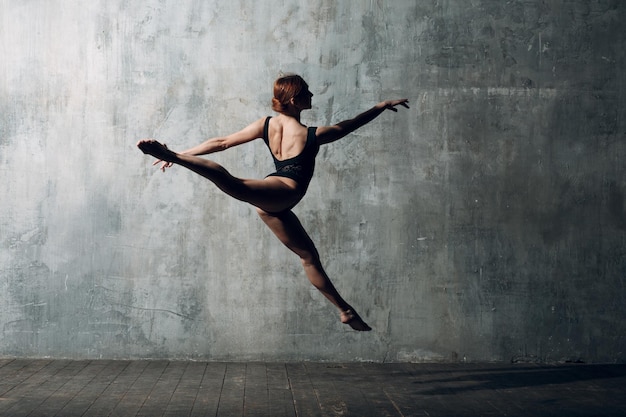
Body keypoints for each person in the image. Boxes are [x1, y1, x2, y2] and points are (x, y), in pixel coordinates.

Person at [137, 74, 409, 331]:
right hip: (283, 192)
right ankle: (175, 157)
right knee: (236, 185)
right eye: (307, 92)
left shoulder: (266, 124)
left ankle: (345, 310)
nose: (312, 94)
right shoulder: (313, 134)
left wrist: (184, 150)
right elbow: (352, 124)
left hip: (272, 202)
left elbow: (221, 142)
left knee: (308, 257)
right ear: (294, 100)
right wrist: (381, 106)